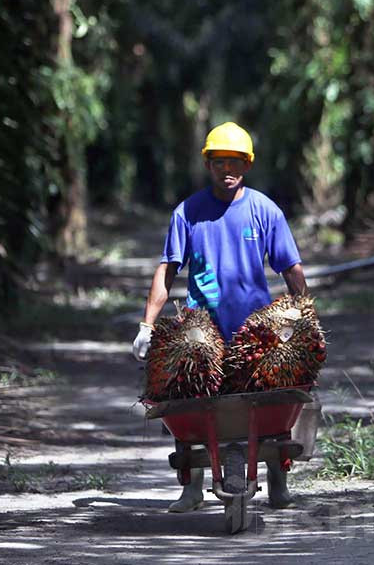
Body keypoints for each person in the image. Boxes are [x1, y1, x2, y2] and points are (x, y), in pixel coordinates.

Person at [130, 121, 308, 513]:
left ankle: (278, 476)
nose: (227, 170)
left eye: (236, 162)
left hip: (256, 329)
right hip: (200, 329)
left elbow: (290, 268)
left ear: (247, 165)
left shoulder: (265, 211)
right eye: (219, 162)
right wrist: (147, 325)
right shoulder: (188, 213)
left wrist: (303, 317)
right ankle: (191, 486)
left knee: (273, 399)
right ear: (207, 164)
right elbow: (167, 270)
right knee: (182, 395)